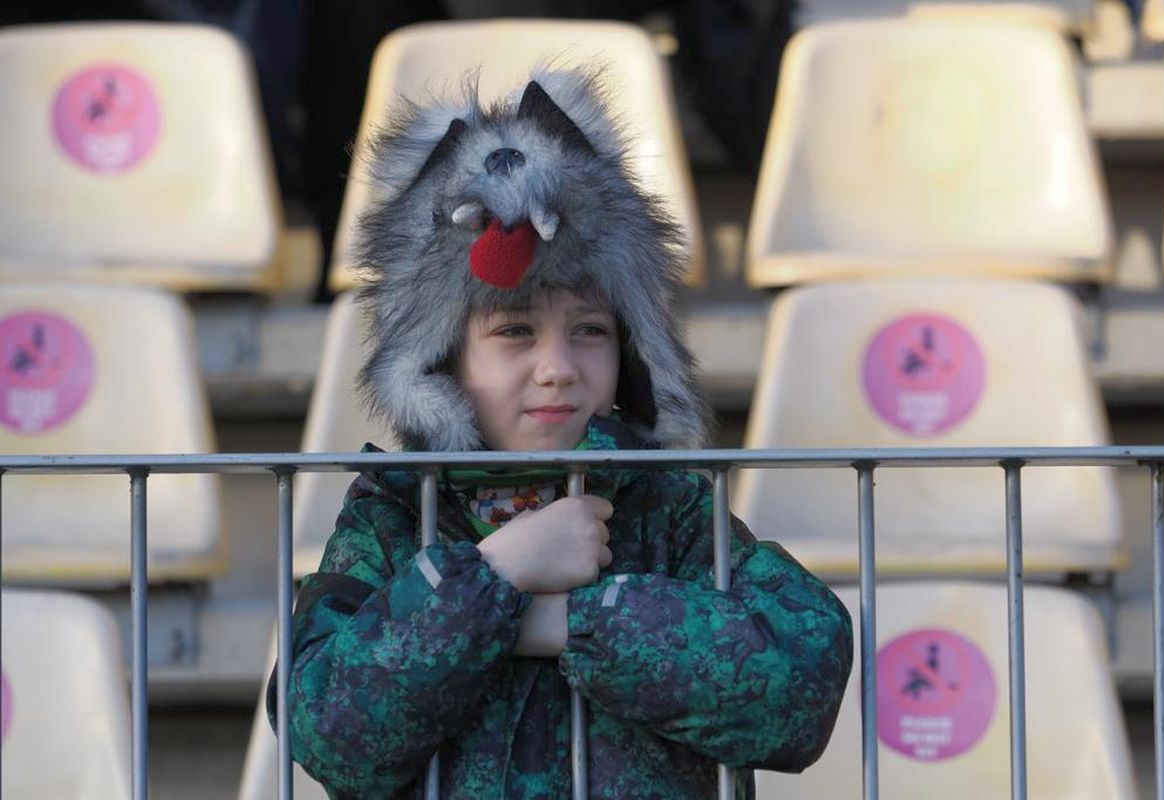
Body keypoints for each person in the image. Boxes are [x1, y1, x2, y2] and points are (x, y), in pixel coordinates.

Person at [268, 67, 853, 798]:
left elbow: (799, 681)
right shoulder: (395, 513)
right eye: (514, 332)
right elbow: (327, 728)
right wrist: (495, 579)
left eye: (589, 332)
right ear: (442, 360)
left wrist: (575, 621)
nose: (558, 368)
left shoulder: (663, 508)